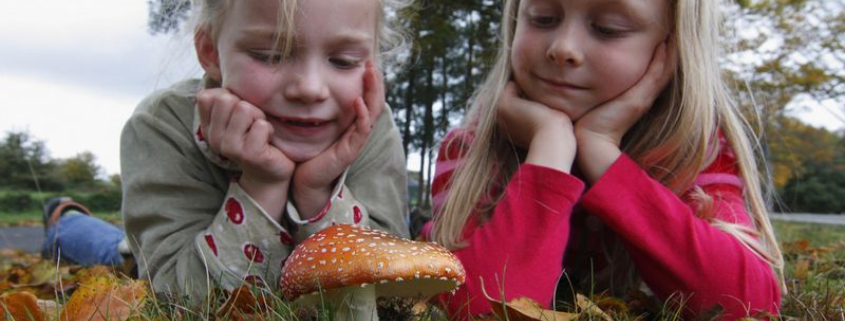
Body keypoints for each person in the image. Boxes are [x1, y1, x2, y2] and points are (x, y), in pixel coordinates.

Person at [420, 0, 784, 319]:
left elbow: (748, 305)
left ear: (673, 47)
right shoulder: (472, 147)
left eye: (609, 29)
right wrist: (550, 147)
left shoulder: (694, 150)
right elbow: (477, 309)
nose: (563, 48)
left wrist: (601, 150)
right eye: (542, 18)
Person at [119, 0, 411, 316]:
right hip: (144, 245)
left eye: (344, 61)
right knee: (96, 244)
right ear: (210, 51)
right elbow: (177, 301)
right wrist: (262, 186)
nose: (310, 88)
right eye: (270, 55)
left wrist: (318, 192)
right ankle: (67, 220)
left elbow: (393, 295)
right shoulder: (163, 125)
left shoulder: (372, 128)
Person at [41, 196, 131, 267]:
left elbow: (47, 251)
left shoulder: (57, 229)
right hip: (128, 242)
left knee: (111, 254)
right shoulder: (92, 220)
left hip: (117, 256)